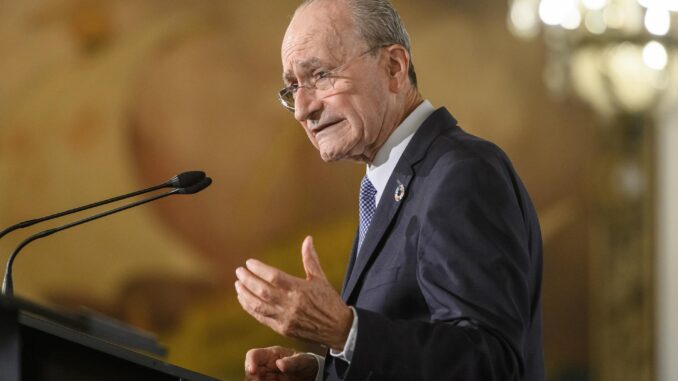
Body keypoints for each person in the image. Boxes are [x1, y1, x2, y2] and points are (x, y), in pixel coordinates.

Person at [234, 0, 545, 380]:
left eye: (319, 75)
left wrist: (345, 332)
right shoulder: (384, 184)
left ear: (394, 68)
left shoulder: (460, 173)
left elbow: (489, 362)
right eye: (292, 87)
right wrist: (325, 372)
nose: (301, 109)